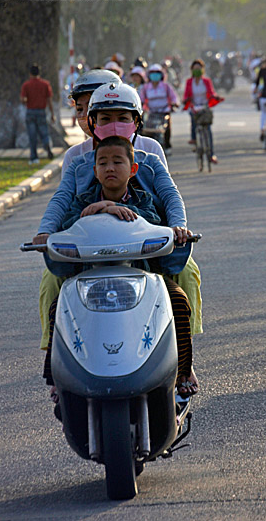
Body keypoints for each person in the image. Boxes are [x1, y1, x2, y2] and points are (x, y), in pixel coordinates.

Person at [33, 83, 202, 356]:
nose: (114, 125)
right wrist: (46, 232)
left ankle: (184, 360)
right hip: (90, 249)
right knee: (52, 282)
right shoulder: (78, 162)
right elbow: (61, 201)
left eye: (122, 118)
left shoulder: (151, 157)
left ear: (136, 121)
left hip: (147, 246)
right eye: (105, 118)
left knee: (185, 275)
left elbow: (170, 195)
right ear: (92, 122)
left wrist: (177, 227)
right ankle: (55, 362)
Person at [43, 136, 198, 399]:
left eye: (118, 161)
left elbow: (153, 221)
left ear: (133, 169)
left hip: (142, 277)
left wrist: (117, 208)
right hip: (88, 280)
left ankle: (183, 370)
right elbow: (67, 224)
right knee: (58, 307)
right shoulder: (82, 201)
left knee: (179, 300)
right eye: (103, 163)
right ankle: (56, 376)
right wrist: (97, 209)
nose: (110, 168)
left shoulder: (144, 199)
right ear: (94, 171)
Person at [62, 70, 167, 176]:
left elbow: (166, 189)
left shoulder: (150, 150)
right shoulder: (75, 157)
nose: (85, 115)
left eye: (91, 105)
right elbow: (65, 191)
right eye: (79, 109)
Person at [182, 59, 222, 163]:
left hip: (205, 106)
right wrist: (186, 100)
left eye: (199, 69)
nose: (197, 71)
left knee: (208, 129)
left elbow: (211, 92)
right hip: (194, 106)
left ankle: (211, 154)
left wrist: (215, 97)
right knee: (193, 117)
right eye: (195, 69)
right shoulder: (189, 82)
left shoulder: (206, 81)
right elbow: (186, 95)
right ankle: (194, 138)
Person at [139, 63, 179, 155]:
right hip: (151, 112)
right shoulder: (146, 87)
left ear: (161, 75)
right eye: (153, 73)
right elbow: (141, 99)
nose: (155, 75)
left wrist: (174, 104)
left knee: (167, 128)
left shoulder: (166, 86)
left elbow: (174, 97)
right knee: (147, 130)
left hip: (164, 112)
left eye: (157, 73)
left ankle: (167, 145)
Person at [20, 64, 55, 164]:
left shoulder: (26, 85)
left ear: (30, 73)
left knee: (32, 135)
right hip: (41, 111)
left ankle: (34, 157)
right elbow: (49, 100)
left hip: (30, 111)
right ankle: (46, 144)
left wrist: (26, 100)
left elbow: (23, 99)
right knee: (44, 132)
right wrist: (52, 114)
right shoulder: (45, 84)